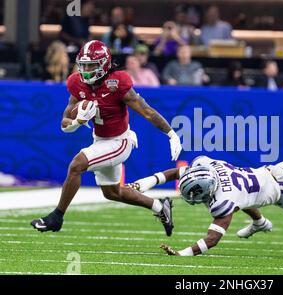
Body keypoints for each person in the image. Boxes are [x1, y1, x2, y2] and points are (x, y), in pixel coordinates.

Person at [30, 40, 182, 236]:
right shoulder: (76, 82)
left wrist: (171, 134)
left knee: (77, 165)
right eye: (83, 64)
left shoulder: (117, 82)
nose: (85, 70)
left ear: (104, 64)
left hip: (120, 141)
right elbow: (64, 123)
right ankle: (160, 207)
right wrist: (77, 121)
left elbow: (146, 111)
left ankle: (56, 217)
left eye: (91, 65)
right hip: (100, 140)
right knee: (112, 192)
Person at [126, 155, 283, 256]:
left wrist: (181, 254)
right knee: (242, 199)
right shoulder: (206, 168)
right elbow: (177, 172)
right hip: (256, 182)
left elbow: (212, 240)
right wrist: (145, 183)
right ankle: (260, 223)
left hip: (281, 188)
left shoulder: (223, 201)